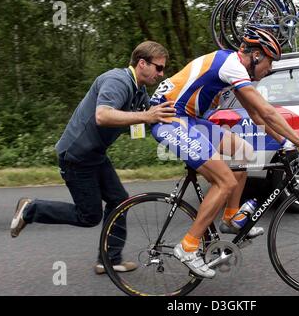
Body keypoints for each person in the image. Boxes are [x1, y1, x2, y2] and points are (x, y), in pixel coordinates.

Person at [150, 27, 299, 278]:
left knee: (244, 152)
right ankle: (188, 246)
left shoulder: (234, 67)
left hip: (188, 119)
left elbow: (256, 113)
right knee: (225, 180)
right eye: (270, 62)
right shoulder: (232, 66)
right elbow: (268, 111)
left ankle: (230, 217)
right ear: (257, 56)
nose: (269, 70)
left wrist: (284, 142)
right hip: (170, 118)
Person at [10, 41, 176, 274]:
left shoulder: (138, 91)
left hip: (95, 155)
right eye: (158, 68)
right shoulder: (117, 81)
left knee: (119, 200)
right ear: (142, 63)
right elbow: (103, 115)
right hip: (76, 156)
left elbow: (148, 119)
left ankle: (109, 259)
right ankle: (30, 210)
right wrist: (146, 116)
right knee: (89, 216)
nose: (161, 74)